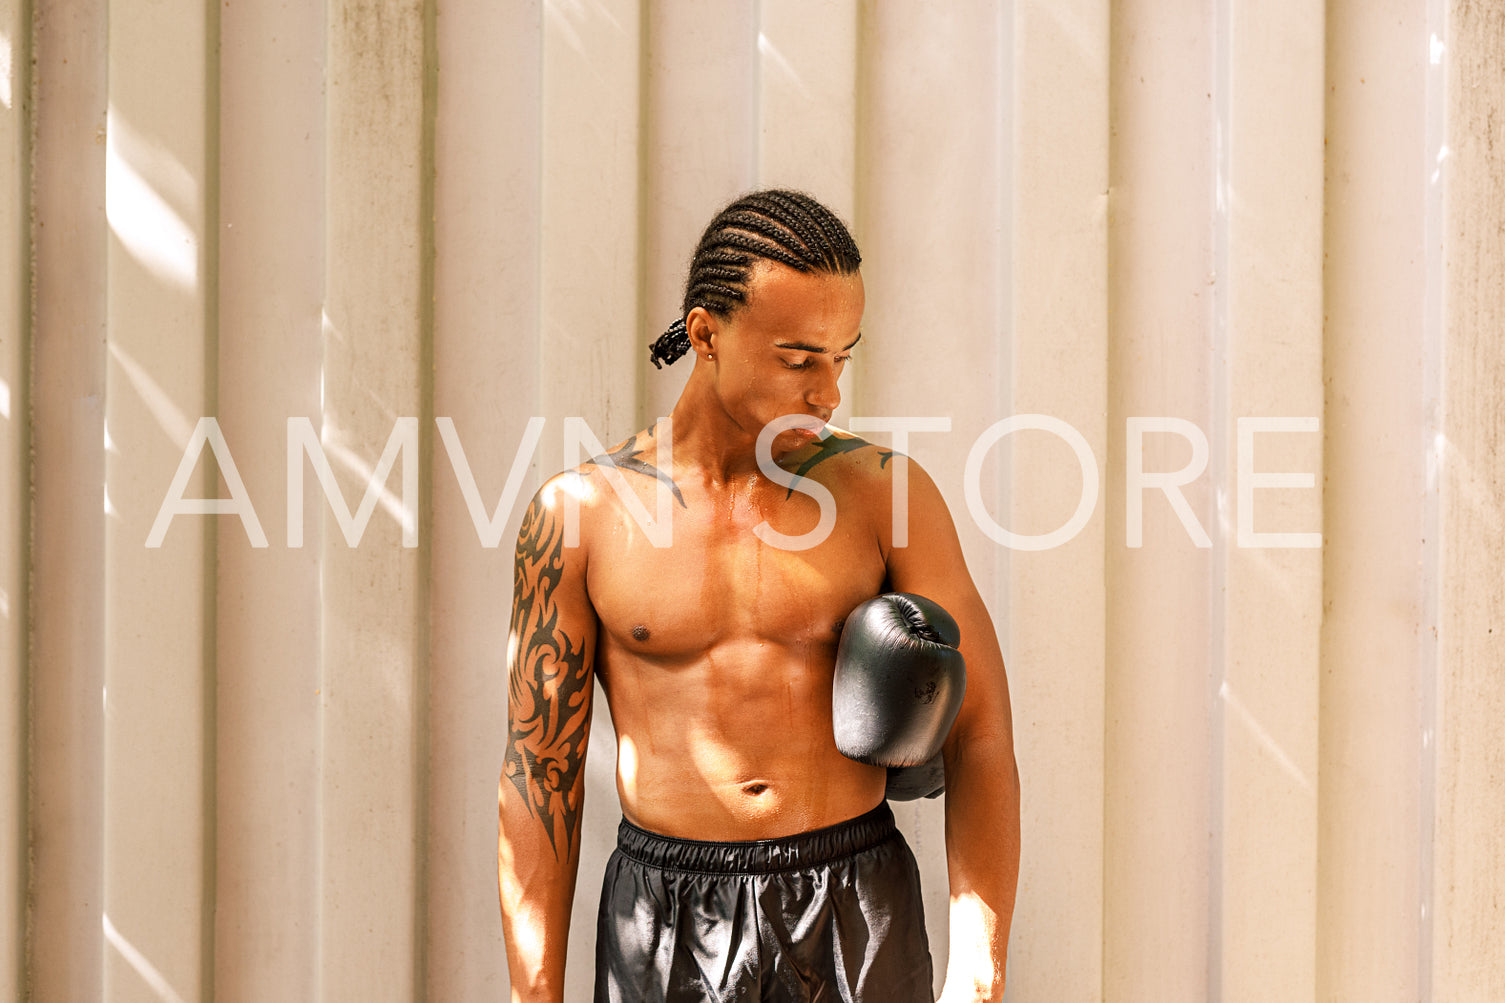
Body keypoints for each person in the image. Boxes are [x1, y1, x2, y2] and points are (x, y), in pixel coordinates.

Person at [497, 190, 1020, 1002]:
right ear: (706, 333)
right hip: (664, 917)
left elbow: (982, 734)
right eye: (798, 357)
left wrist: (978, 974)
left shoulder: (885, 495)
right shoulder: (580, 514)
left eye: (841, 356)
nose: (829, 392)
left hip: (852, 896)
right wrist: (535, 996)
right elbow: (540, 768)